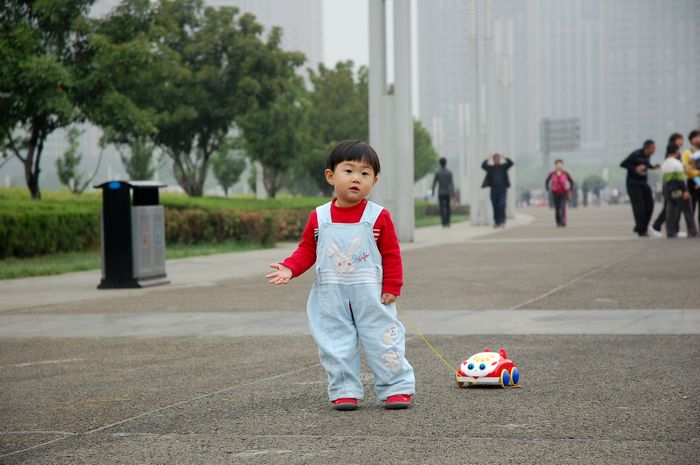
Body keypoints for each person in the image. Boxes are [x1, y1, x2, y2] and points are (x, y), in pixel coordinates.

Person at [265, 140, 415, 411]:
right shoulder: (320, 217)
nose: (357, 178)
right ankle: (344, 390)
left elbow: (392, 254)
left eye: (365, 173)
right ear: (331, 176)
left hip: (372, 296)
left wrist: (393, 285)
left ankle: (396, 387)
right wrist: (290, 267)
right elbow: (307, 249)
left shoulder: (379, 217)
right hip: (330, 296)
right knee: (335, 343)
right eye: (349, 171)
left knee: (384, 339)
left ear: (374, 180)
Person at [620, 140, 660, 237]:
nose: (654, 150)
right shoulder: (636, 154)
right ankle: (641, 230)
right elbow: (623, 164)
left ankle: (641, 226)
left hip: (643, 183)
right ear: (647, 148)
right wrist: (635, 168)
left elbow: (646, 165)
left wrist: (652, 167)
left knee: (650, 205)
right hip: (633, 184)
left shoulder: (647, 156)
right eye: (653, 148)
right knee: (639, 208)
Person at [661, 143, 698, 238]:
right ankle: (692, 231)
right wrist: (685, 191)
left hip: (668, 190)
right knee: (687, 210)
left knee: (670, 210)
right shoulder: (677, 163)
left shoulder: (664, 163)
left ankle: (670, 232)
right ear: (676, 152)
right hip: (678, 189)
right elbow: (681, 179)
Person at [652, 133, 684, 237]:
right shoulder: (671, 156)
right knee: (670, 208)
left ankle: (673, 229)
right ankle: (660, 226)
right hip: (672, 185)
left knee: (672, 207)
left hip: (671, 185)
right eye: (679, 139)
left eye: (682, 140)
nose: (681, 142)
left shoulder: (675, 155)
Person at [481, 153, 514, 227]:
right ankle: (496, 222)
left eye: (498, 159)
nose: (496, 160)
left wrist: (504, 157)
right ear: (493, 160)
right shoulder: (490, 168)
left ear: (500, 159)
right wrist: (487, 159)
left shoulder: (504, 167)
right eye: (495, 159)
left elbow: (511, 163)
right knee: (495, 206)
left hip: (502, 189)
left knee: (501, 205)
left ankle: (502, 221)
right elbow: (483, 165)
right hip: (494, 189)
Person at [545, 159, 575, 227]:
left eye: (560, 164)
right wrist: (547, 188)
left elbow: (571, 182)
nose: (559, 166)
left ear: (562, 165)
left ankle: (563, 221)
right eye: (558, 164)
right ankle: (558, 221)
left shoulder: (565, 173)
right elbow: (547, 181)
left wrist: (570, 189)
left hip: (564, 192)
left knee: (562, 207)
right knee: (557, 208)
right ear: (555, 165)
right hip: (555, 193)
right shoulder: (552, 174)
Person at [681, 129, 700, 225]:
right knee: (691, 205)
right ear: (691, 140)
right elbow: (685, 168)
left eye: (699, 137)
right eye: (695, 137)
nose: (698, 139)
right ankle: (691, 228)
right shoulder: (687, 153)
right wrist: (696, 173)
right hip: (692, 181)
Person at [431, 157, 454, 227]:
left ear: (440, 163)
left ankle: (443, 223)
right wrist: (452, 192)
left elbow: (434, 183)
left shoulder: (438, 173)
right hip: (447, 192)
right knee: (448, 207)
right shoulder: (449, 172)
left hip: (440, 193)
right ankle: (448, 222)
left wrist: (433, 191)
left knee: (441, 208)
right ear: (446, 163)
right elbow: (451, 183)